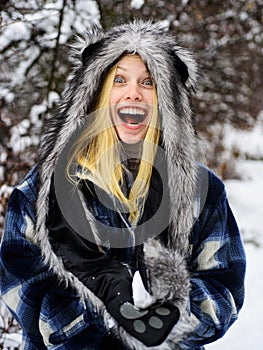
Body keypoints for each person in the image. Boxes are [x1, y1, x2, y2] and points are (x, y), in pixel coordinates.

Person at [0, 20, 246, 350]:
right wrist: (100, 302)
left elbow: (225, 290)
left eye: (149, 82)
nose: (134, 92)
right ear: (98, 95)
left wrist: (170, 306)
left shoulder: (202, 190)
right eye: (120, 80)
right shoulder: (44, 189)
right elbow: (19, 285)